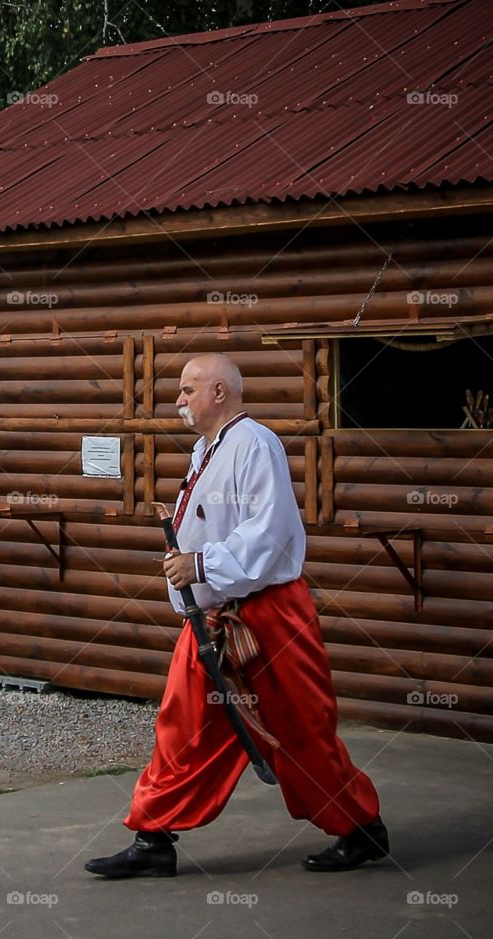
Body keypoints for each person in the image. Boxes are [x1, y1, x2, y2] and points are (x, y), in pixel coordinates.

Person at [84, 354, 387, 879]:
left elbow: (267, 533)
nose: (178, 401)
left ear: (219, 392)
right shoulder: (207, 449)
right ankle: (152, 836)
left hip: (269, 618)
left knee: (301, 727)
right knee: (181, 725)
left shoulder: (254, 443)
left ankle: (360, 828)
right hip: (214, 616)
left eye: (186, 390)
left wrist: (199, 561)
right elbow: (224, 520)